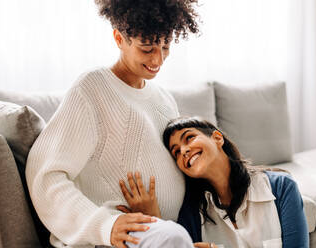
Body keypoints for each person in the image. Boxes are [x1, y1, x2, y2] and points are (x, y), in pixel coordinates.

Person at [25, 0, 200, 247]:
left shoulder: (164, 99)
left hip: (164, 231)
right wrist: (106, 226)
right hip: (120, 236)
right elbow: (45, 175)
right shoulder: (92, 88)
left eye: (166, 46)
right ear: (119, 39)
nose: (158, 59)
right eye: (147, 48)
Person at [118, 116, 310, 248]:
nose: (183, 150)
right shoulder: (192, 212)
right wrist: (155, 220)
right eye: (176, 152)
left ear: (217, 138)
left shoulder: (281, 187)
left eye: (189, 138)